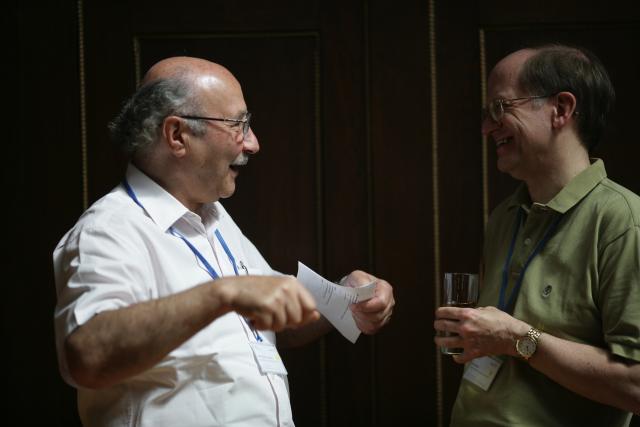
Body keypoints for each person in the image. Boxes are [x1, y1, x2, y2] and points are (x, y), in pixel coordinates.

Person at [53, 57, 395, 427]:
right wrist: (221, 294)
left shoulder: (215, 218)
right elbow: (86, 356)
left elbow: (270, 316)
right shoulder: (109, 229)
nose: (252, 143)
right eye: (238, 124)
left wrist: (345, 299)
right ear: (177, 135)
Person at [434, 44, 640, 426]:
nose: (486, 127)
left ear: (560, 109)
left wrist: (518, 339)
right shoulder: (503, 217)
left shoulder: (623, 221)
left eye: (500, 108)